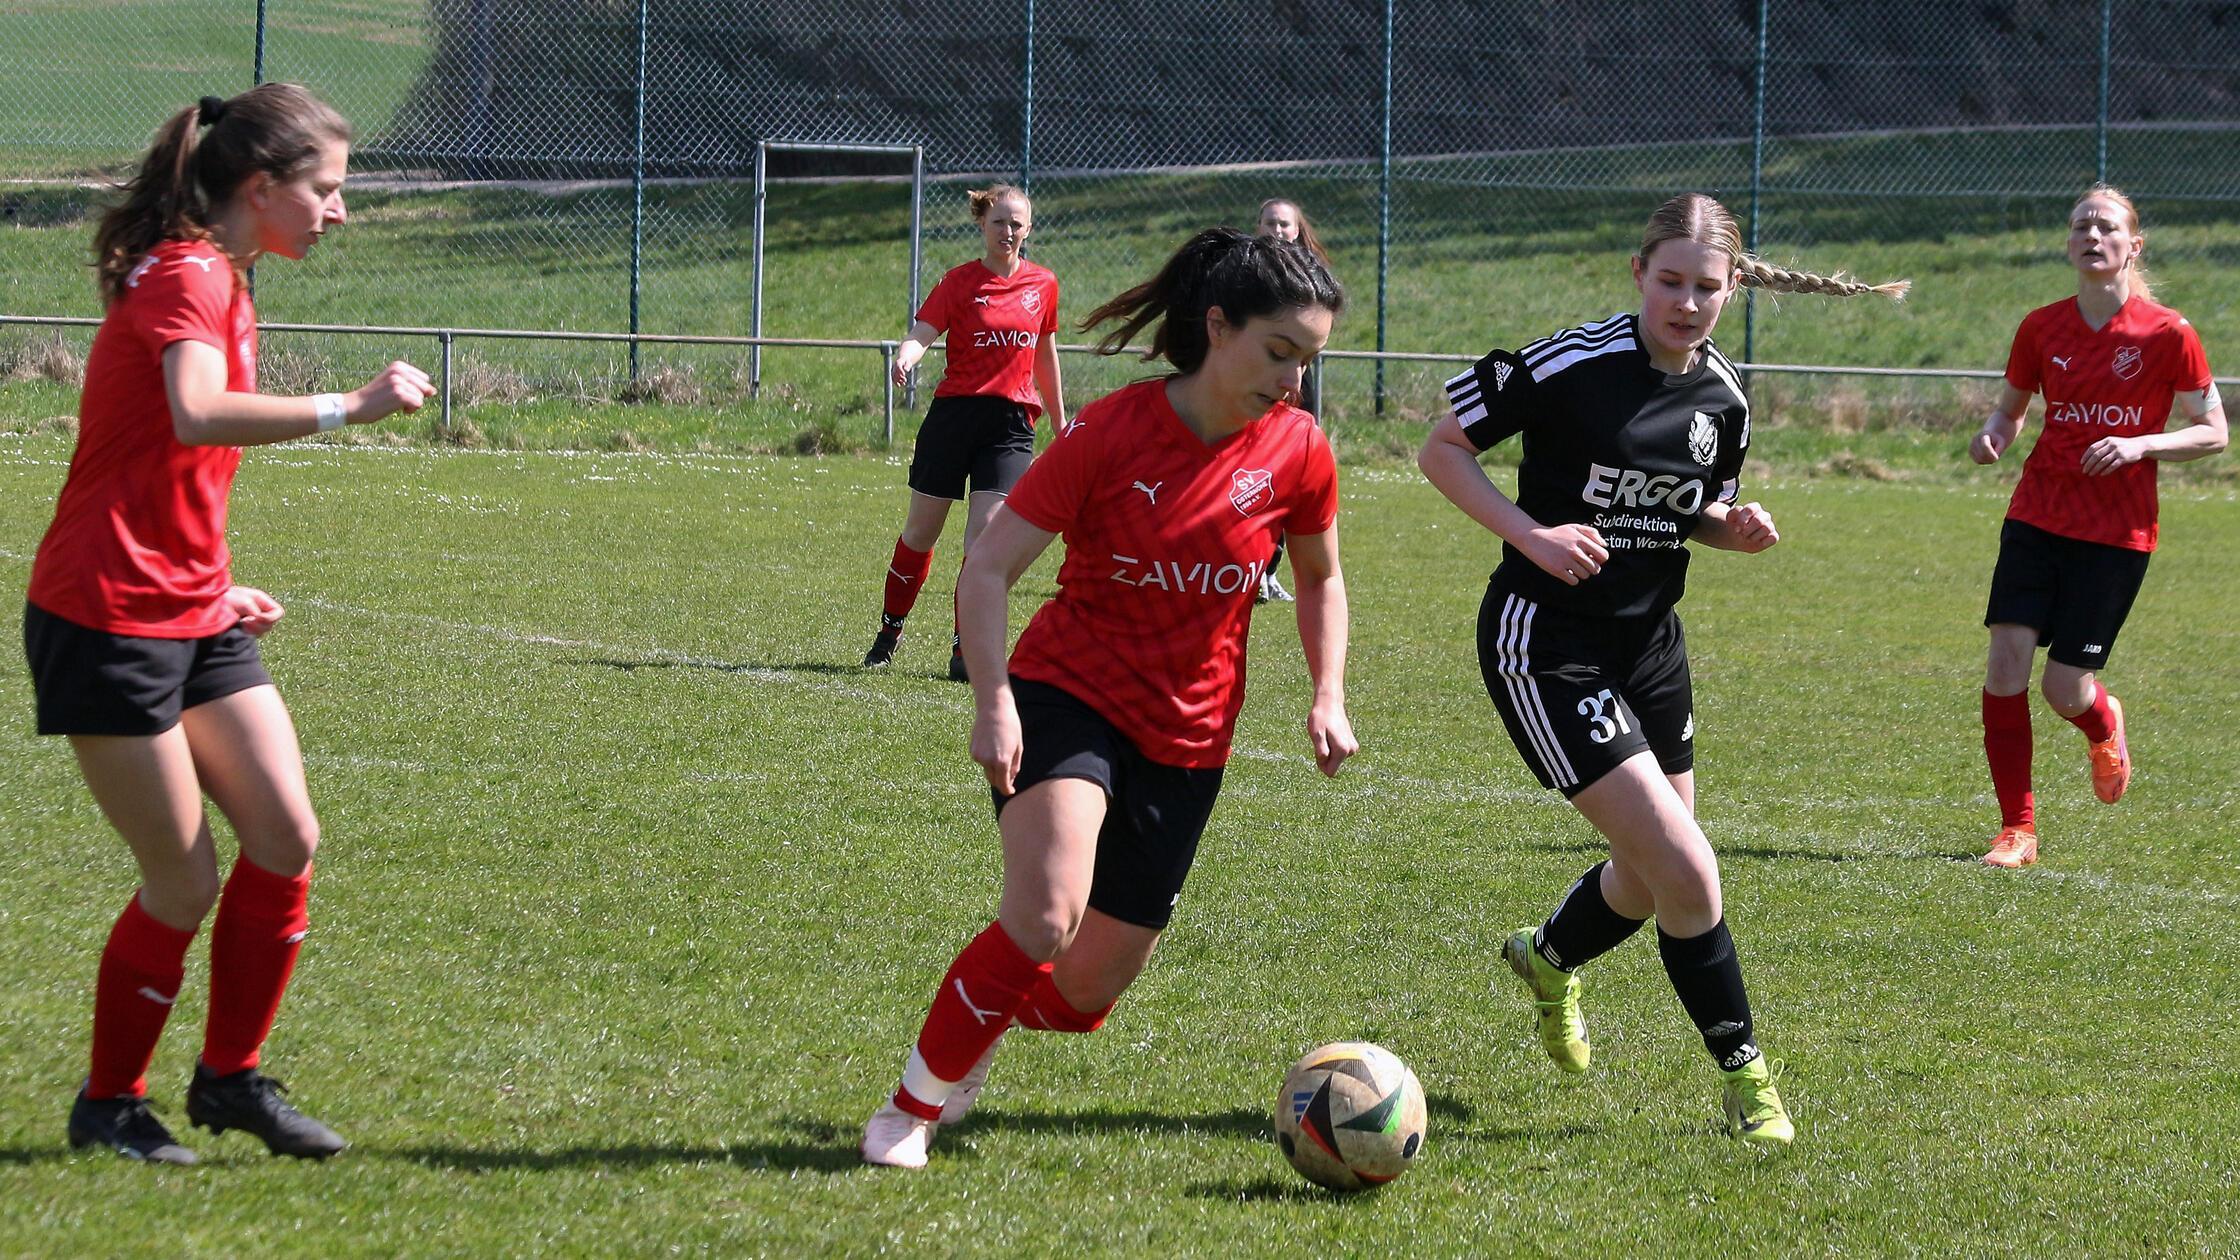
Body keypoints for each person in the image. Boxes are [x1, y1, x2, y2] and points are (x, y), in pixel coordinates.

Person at [1417, 193, 1906, 1148]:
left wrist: (1736, 528)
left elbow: (1693, 511)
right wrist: (1531, 533)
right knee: (1688, 867)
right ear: (1638, 273)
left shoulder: (1723, 398)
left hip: (1648, 647)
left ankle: (1549, 958)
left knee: (1649, 880)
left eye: (1708, 287)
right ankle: (1749, 1082)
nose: (1687, 302)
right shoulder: (1569, 363)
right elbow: (1441, 448)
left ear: (1734, 290)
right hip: (1544, 640)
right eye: (1670, 281)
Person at [861, 228, 1357, 1168]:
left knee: (1086, 991)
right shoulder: (1114, 433)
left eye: (1310, 362)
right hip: (1068, 696)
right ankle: (909, 1109)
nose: (1294, 380)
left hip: (1192, 734)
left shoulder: (1299, 452)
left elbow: (1322, 577)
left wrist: (1328, 693)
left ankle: (985, 1021)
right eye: (1278, 352)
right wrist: (995, 702)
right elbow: (990, 565)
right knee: (1046, 913)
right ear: (1218, 326)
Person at [24, 84, 430, 1165]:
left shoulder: (230, 276)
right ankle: (110, 1102)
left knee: (287, 836)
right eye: (327, 190)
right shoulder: (192, 273)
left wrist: (216, 580)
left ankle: (231, 1082)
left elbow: (167, 464)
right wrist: (352, 405)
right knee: (184, 880)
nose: (339, 211)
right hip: (106, 617)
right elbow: (193, 411)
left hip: (191, 605)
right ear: (263, 188)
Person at [1968, 184, 2225, 869]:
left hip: (2116, 535)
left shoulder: (2169, 334)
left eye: (2106, 226)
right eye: (2081, 224)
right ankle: (2016, 830)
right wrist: (1993, 435)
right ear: (2069, 243)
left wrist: (2141, 445)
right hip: (2036, 516)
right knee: (2004, 667)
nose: (2092, 234)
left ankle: (2103, 722)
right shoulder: (2040, 327)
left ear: (2131, 246)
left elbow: (2214, 432)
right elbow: (2011, 410)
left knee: (2064, 689)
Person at [863, 184, 1065, 681]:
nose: (1008, 231)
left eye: (1017, 222)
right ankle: (889, 631)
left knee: (984, 543)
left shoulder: (1044, 285)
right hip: (954, 419)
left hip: (1012, 426)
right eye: (999, 221)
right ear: (982, 225)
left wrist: (1062, 423)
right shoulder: (959, 282)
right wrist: (906, 357)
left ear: (1030, 228)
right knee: (920, 533)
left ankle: (964, 649)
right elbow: (923, 333)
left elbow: (1044, 355)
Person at [1252, 197, 1330, 605]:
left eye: (1284, 224)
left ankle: (1269, 571)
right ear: (1258, 227)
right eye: (1270, 223)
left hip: (1295, 386)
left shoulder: (1310, 278)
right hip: (1253, 385)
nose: (1277, 231)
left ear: (1297, 231)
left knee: (1290, 473)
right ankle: (1251, 568)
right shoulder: (1246, 272)